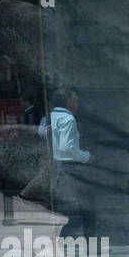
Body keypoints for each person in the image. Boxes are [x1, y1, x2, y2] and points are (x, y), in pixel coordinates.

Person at [47, 87, 96, 238]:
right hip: (72, 166)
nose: (78, 104)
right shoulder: (68, 119)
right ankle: (91, 243)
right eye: (76, 100)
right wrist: (85, 156)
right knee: (87, 206)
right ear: (68, 101)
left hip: (58, 166)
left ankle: (59, 242)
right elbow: (66, 147)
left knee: (62, 208)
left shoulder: (53, 116)